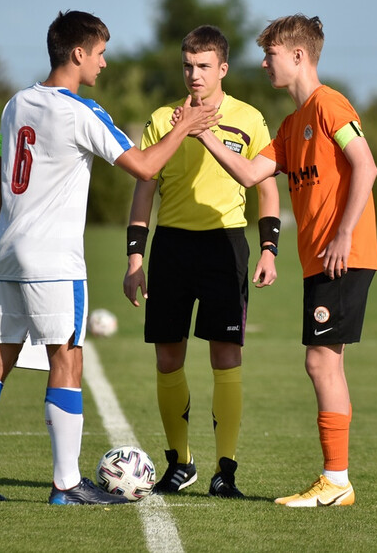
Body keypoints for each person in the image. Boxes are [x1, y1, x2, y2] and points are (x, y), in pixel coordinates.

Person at [0, 10, 219, 506]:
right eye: (100, 53)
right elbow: (143, 167)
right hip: (54, 262)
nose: (105, 63)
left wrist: (15, 227)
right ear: (78, 54)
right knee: (67, 359)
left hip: (9, 253)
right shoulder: (81, 112)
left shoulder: (17, 104)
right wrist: (186, 126)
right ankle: (67, 484)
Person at [188, 14, 377, 507]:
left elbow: (366, 165)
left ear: (298, 56)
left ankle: (336, 481)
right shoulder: (294, 125)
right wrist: (204, 136)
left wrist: (342, 234)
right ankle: (336, 480)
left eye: (270, 54)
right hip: (322, 260)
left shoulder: (328, 105)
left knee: (321, 364)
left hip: (342, 255)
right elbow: (252, 174)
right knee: (323, 364)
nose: (264, 62)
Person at [122, 25, 280, 498]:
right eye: (188, 65)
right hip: (171, 247)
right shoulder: (161, 119)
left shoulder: (249, 119)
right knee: (168, 357)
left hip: (225, 246)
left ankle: (225, 470)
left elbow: (267, 187)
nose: (194, 74)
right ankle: (181, 462)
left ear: (223, 69)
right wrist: (135, 258)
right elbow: (143, 191)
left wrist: (269, 248)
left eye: (204, 65)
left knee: (225, 355)